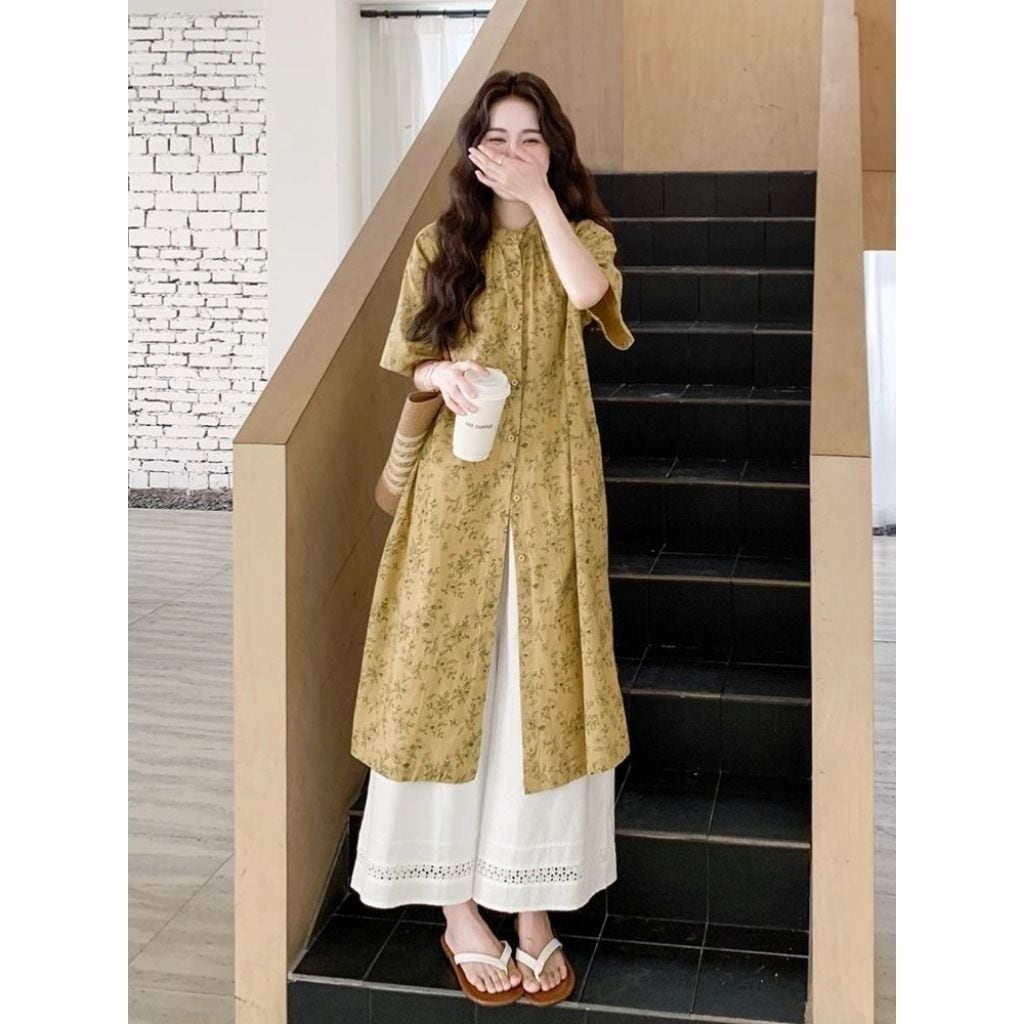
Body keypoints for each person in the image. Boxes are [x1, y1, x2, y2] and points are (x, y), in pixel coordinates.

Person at [349, 69, 635, 1007]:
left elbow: (590, 293)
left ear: (554, 149)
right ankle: (458, 910)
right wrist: (442, 378)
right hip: (456, 497)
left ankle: (533, 906)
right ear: (473, 149)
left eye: (531, 137)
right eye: (498, 137)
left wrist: (542, 200)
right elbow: (414, 364)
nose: (513, 152)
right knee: (442, 684)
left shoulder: (580, 236)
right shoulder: (440, 245)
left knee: (537, 692)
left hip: (553, 492)